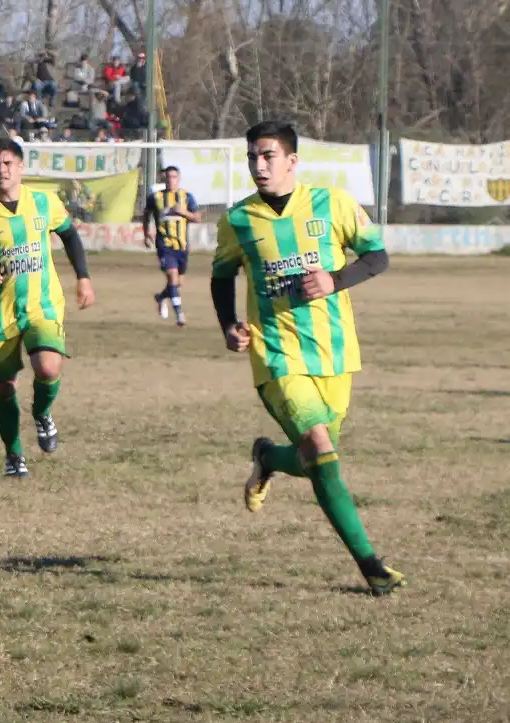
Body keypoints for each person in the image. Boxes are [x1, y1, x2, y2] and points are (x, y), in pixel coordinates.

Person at [210, 120, 404, 596]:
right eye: (253, 156)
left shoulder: (333, 203)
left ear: (292, 161)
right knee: (321, 450)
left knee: (319, 458)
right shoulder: (239, 219)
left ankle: (268, 458)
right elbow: (221, 277)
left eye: (268, 156)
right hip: (275, 353)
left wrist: (334, 280)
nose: (259, 165)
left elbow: (377, 257)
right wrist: (229, 326)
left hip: (335, 353)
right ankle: (372, 568)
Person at [0, 138, 96, 478]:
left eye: (7, 163)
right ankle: (14, 455)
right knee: (4, 387)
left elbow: (70, 236)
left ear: (20, 167)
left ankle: (42, 413)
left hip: (42, 305)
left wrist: (84, 278)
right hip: (0, 313)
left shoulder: (43, 203)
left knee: (47, 368)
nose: (1, 170)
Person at [142, 165, 200, 327]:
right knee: (173, 277)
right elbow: (146, 215)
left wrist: (183, 213)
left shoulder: (187, 197)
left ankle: (161, 297)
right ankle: (179, 314)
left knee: (177, 282)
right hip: (164, 245)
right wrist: (146, 233)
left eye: (174, 177)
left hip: (182, 246)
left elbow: (197, 218)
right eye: (168, 177)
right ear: (164, 179)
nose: (171, 180)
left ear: (178, 179)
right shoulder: (156, 197)